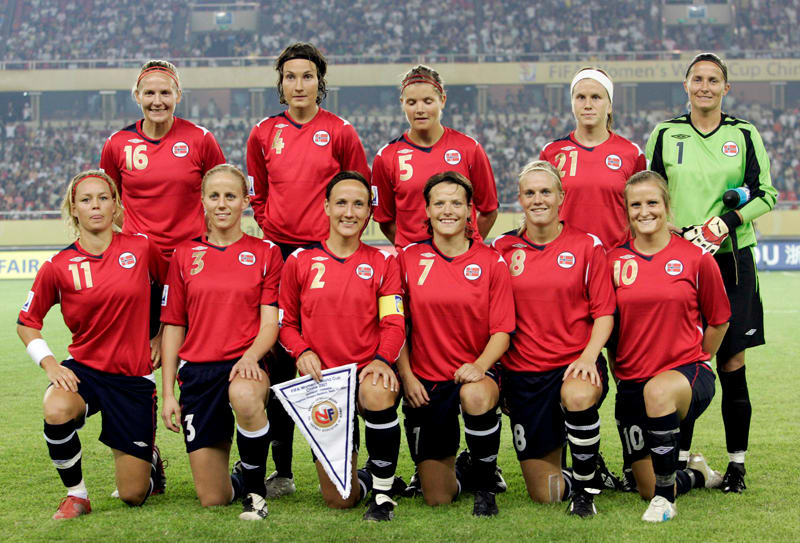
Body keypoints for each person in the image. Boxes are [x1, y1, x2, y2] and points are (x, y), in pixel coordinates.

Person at [646, 53, 778, 492]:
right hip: (680, 261)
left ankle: (737, 465)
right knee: (684, 359)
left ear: (726, 87)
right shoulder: (666, 133)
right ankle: (681, 460)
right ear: (686, 85)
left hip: (732, 260)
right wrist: (668, 226)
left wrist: (726, 222)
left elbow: (766, 193)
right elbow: (650, 190)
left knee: (732, 360)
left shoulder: (744, 133)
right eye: (698, 79)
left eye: (714, 80)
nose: (705, 86)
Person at [246, 43, 371, 495]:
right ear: (281, 84)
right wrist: (273, 228)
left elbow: (359, 190)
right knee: (282, 358)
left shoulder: (340, 131)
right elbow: (258, 193)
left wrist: (337, 243)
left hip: (330, 254)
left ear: (320, 82)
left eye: (307, 76)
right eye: (290, 76)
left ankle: (352, 458)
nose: (299, 84)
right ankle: (283, 469)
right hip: (281, 254)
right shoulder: (263, 133)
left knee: (337, 354)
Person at [16, 170, 167, 519]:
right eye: (86, 200)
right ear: (74, 209)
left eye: (103, 198)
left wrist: (160, 335)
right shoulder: (58, 266)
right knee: (56, 408)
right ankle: (77, 495)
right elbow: (27, 323)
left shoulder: (141, 247)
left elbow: (173, 289)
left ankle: (150, 460)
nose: (95, 206)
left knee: (132, 495)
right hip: (86, 370)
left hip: (133, 376)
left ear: (115, 205)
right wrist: (50, 364)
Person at [279, 171, 406, 521]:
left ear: (369, 212)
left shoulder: (383, 261)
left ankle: (382, 494)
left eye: (358, 204)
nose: (349, 212)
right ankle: (367, 478)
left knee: (378, 390)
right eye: (341, 203)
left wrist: (381, 360)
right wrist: (302, 351)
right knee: (340, 499)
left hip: (366, 372)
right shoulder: (300, 261)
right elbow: (285, 324)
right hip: (324, 383)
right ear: (326, 207)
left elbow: (393, 322)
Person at [492, 160, 615, 517]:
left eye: (546, 192)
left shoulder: (587, 246)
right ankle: (585, 466)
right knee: (546, 494)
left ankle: (586, 489)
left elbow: (604, 313)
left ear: (561, 196)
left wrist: (588, 357)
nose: (538, 200)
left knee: (577, 396)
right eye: (530, 193)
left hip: (573, 366)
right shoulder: (501, 248)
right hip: (524, 376)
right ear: (519, 199)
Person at [160, 164, 283, 520]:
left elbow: (270, 323)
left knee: (244, 394)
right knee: (213, 498)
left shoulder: (266, 253)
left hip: (245, 364)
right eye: (214, 196)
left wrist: (251, 356)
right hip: (198, 374)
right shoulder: (184, 255)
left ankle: (256, 493)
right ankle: (243, 478)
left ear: (245, 201)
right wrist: (168, 394)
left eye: (231, 196)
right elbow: (173, 326)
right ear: (202, 201)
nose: (222, 203)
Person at [608, 171, 730, 522]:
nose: (644, 211)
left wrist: (700, 359)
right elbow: (609, 327)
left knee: (659, 391)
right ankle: (697, 474)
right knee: (645, 484)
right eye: (636, 204)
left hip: (686, 376)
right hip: (632, 383)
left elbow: (719, 320)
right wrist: (619, 371)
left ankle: (665, 503)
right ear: (626, 210)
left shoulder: (696, 258)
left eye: (652, 202)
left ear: (666, 205)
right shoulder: (612, 261)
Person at [397, 171, 514, 517]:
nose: (447, 210)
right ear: (427, 210)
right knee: (437, 497)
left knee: (474, 394)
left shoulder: (491, 261)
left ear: (469, 210)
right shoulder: (407, 259)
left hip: (476, 374)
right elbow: (396, 325)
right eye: (439, 203)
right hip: (426, 381)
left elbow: (502, 331)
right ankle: (464, 470)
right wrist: (407, 377)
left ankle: (485, 485)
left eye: (456, 203)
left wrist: (479, 366)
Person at [100, 59, 226, 342]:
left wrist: (205, 238)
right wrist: (135, 231)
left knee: (195, 347)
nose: (157, 101)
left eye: (165, 93)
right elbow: (108, 200)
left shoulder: (200, 139)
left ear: (178, 95)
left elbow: (223, 195)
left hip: (192, 262)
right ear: (137, 96)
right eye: (149, 93)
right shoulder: (117, 143)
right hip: (140, 265)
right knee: (138, 348)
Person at [372, 65, 499, 248]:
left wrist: (466, 248)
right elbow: (385, 220)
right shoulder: (386, 157)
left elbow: (489, 210)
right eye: (412, 102)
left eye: (428, 101)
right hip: (414, 262)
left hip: (462, 260)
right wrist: (410, 251)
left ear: (443, 100)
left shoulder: (470, 149)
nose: (420, 109)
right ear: (402, 104)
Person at [540, 67, 646, 250]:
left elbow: (641, 214)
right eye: (581, 97)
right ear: (572, 104)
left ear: (610, 105)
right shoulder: (551, 153)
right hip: (564, 258)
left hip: (615, 259)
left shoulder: (632, 153)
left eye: (596, 97)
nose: (588, 105)